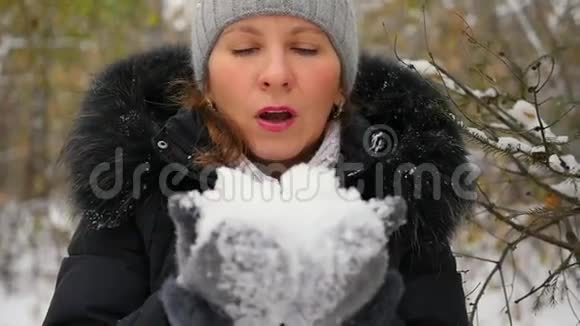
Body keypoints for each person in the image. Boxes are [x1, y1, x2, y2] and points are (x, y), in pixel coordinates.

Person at [43, 0, 474, 325]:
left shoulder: (402, 197)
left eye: (305, 48)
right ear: (206, 81)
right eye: (246, 48)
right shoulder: (135, 190)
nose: (276, 73)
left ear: (341, 85)